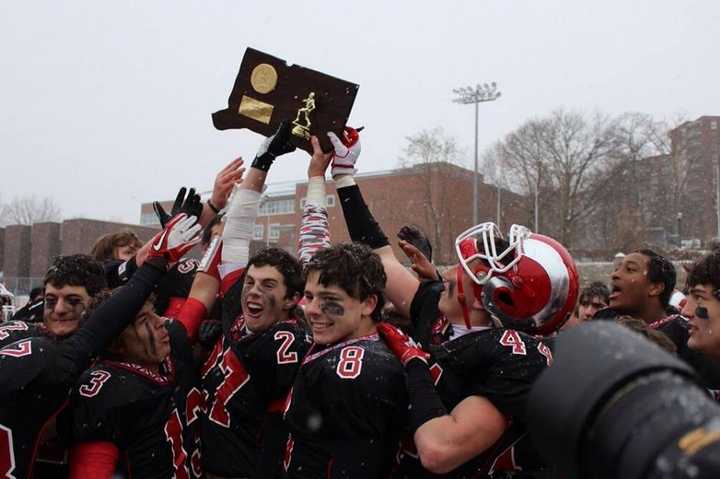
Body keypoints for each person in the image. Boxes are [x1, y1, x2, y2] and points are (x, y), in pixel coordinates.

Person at [330, 133, 577, 476]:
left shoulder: (517, 357)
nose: (448, 272)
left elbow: (439, 450)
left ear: (500, 294)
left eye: (470, 269)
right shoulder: (439, 311)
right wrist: (344, 175)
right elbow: (381, 259)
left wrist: (415, 364)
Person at [0, 213, 200, 479]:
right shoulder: (41, 348)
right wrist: (153, 261)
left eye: (73, 301)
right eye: (51, 300)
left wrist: (146, 262)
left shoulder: (119, 352)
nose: (59, 310)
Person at [200, 121, 312, 478]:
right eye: (250, 282)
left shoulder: (288, 343)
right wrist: (263, 160)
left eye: (267, 285)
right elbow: (235, 234)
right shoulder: (237, 307)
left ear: (293, 299)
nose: (252, 291)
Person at [69, 224, 218, 478]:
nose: (160, 322)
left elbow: (202, 291)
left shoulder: (170, 342)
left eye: (154, 315)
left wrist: (225, 227)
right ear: (116, 341)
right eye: (143, 321)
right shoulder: (108, 387)